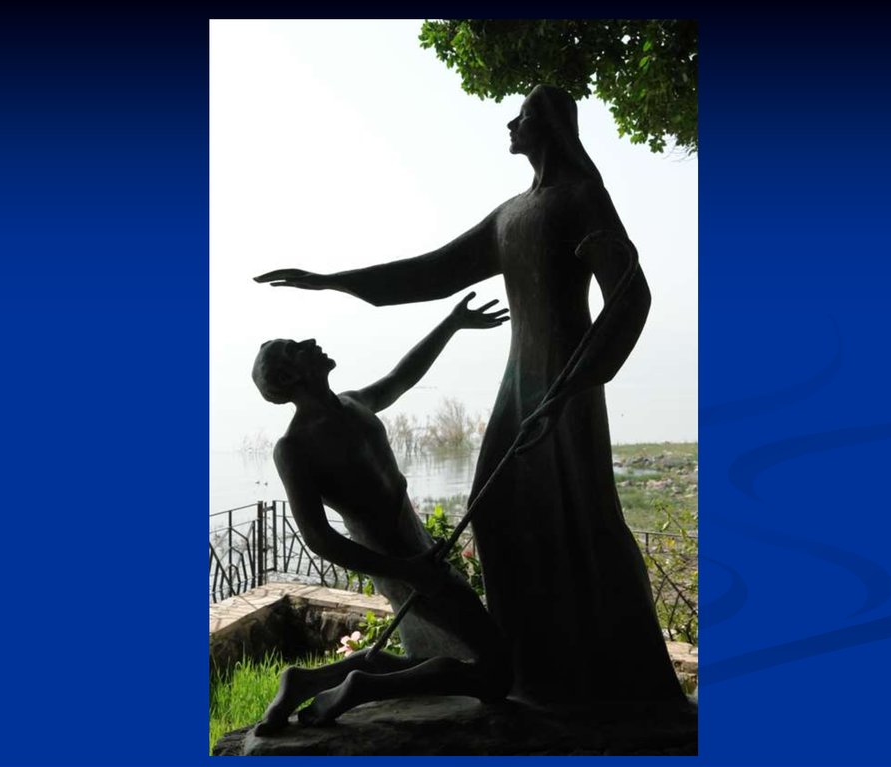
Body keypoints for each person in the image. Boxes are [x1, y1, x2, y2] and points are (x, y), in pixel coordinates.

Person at [255, 85, 684, 706]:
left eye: (523, 115)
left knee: (581, 520)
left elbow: (630, 296)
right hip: (520, 386)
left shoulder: (581, 198)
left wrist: (572, 385)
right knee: (500, 515)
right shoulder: (511, 214)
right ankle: (532, 669)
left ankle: (606, 682)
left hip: (567, 383)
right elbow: (429, 272)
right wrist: (332, 281)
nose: (511, 123)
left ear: (550, 127)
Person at [249, 293, 512, 732]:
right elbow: (317, 537)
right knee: (496, 674)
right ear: (289, 375)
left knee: (427, 658)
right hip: (400, 564)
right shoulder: (294, 447)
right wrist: (406, 570)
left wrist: (452, 323)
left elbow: (401, 378)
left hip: (421, 553)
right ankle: (360, 688)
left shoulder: (353, 402)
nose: (310, 342)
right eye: (296, 347)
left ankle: (305, 682)